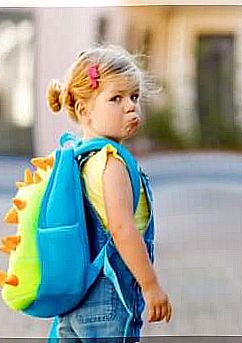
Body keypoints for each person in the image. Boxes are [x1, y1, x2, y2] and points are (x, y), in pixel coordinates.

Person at [46, 45, 172, 342]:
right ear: (84, 110)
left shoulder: (77, 158)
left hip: (74, 302)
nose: (130, 106)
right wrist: (150, 284)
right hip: (108, 301)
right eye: (116, 98)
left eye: (134, 97)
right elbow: (121, 229)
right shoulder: (111, 163)